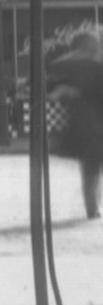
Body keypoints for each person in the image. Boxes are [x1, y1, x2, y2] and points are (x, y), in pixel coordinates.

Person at [47, 28, 103, 220]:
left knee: (91, 168)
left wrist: (67, 91)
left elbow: (54, 88)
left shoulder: (68, 66)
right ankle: (93, 207)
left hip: (84, 124)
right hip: (93, 123)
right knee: (92, 167)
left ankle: (93, 207)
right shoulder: (94, 67)